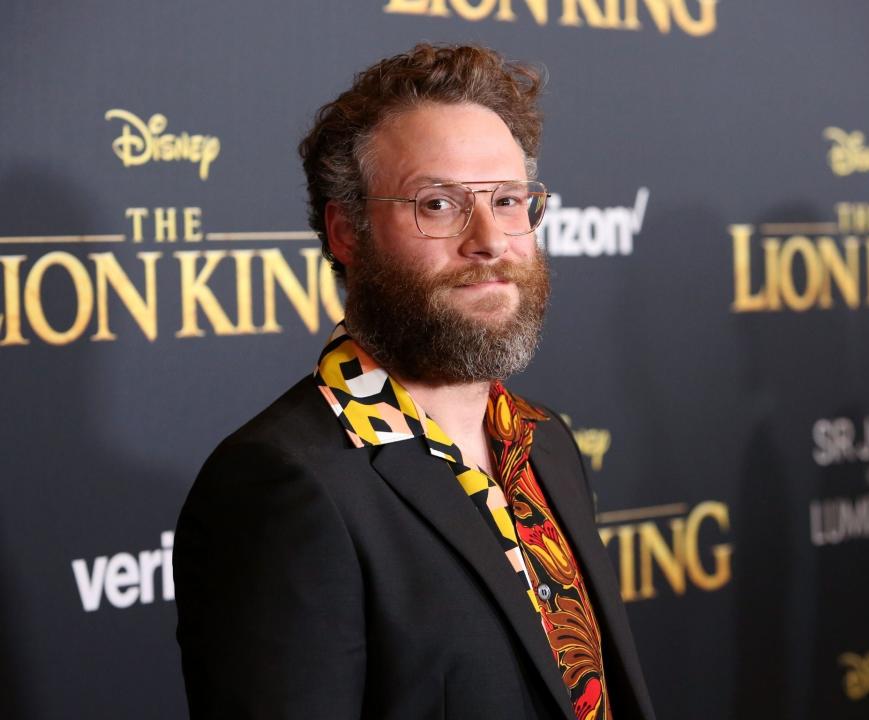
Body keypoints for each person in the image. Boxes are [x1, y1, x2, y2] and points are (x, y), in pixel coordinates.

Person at [173, 43, 655, 720]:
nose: (488, 239)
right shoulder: (282, 487)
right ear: (348, 232)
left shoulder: (543, 443)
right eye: (438, 204)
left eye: (508, 200)